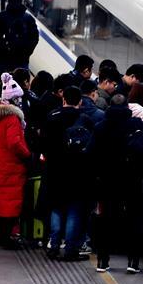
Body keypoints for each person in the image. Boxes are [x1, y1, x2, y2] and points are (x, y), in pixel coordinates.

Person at [92, 95, 143, 274]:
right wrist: (141, 174)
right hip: (133, 181)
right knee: (136, 220)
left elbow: (91, 154)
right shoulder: (136, 125)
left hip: (108, 182)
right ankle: (133, 262)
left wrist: (99, 176)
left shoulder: (100, 127)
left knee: (106, 220)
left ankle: (103, 261)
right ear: (127, 107)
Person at [43, 86, 90, 261]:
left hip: (54, 171)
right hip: (77, 173)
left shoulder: (52, 117)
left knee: (56, 208)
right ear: (80, 102)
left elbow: (43, 145)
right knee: (73, 211)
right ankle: (71, 249)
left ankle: (54, 245)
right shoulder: (84, 119)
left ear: (63, 99)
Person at [0, 73, 31, 249]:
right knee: (10, 206)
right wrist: (27, 155)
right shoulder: (12, 118)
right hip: (9, 167)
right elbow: (14, 143)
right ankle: (6, 239)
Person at [0, 0, 39, 72]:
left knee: (1, 82)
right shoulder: (28, 19)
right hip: (21, 60)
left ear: (8, 1)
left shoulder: (0, 17)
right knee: (20, 83)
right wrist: (26, 54)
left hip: (3, 60)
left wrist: (0, 51)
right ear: (22, 1)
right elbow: (34, 39)